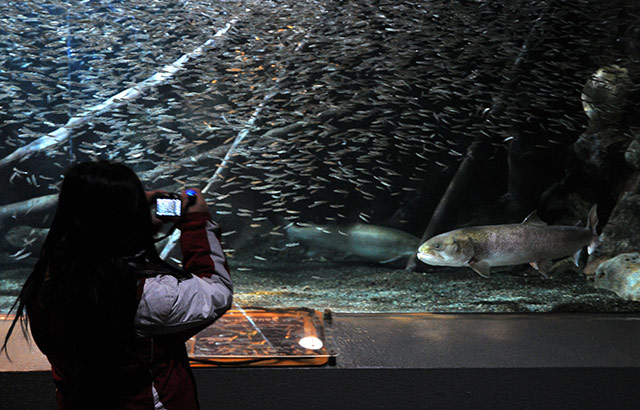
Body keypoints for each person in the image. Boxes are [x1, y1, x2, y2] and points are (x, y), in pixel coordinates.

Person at [2, 161, 233, 410]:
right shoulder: (148, 294)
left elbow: (93, 246)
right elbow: (216, 289)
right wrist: (196, 224)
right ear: (125, 217)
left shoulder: (47, 281)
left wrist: (135, 227)